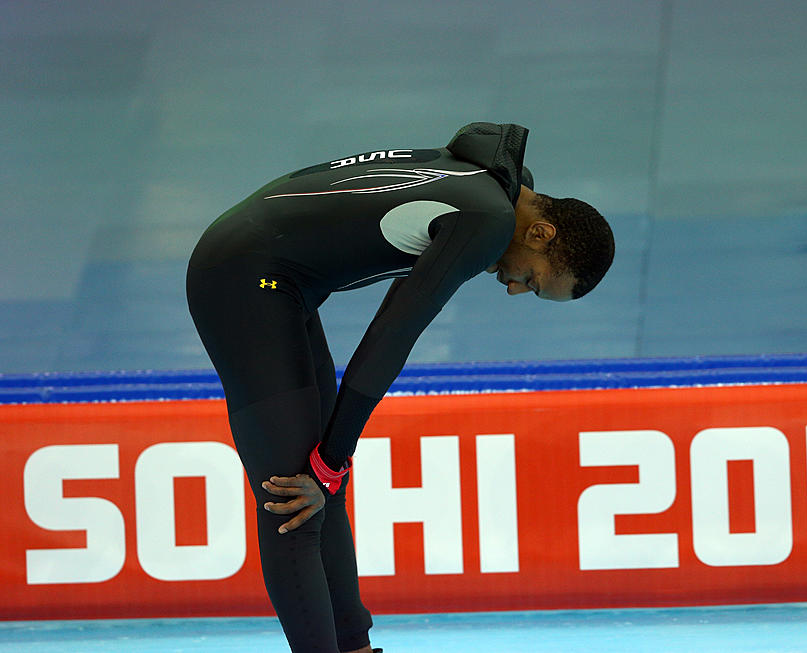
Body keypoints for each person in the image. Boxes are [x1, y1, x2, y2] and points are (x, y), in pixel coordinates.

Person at [185, 122, 615, 653]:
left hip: (274, 275)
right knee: (293, 499)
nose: (510, 288)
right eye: (530, 280)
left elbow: (391, 315)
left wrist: (332, 463)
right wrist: (332, 457)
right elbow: (391, 338)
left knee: (322, 487)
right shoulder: (486, 218)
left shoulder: (497, 186)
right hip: (241, 276)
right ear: (541, 233)